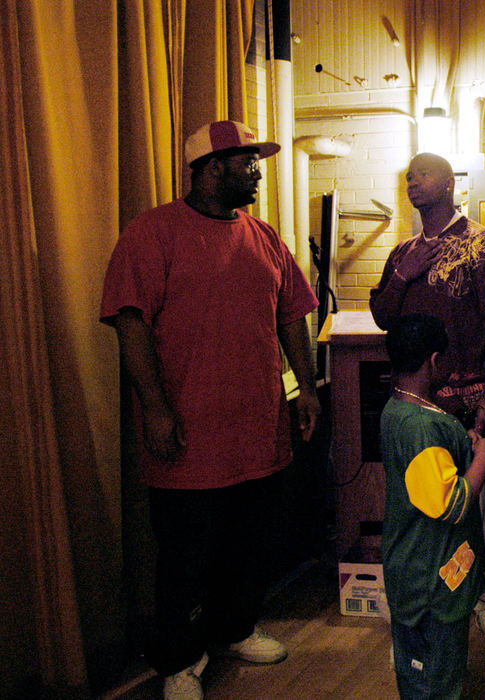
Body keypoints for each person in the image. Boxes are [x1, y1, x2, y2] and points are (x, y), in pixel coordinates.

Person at [100, 120, 320, 700]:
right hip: (189, 434)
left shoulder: (265, 235)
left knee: (249, 542)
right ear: (211, 167)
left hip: (257, 427)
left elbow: (291, 314)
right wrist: (156, 409)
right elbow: (129, 321)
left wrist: (308, 389)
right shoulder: (152, 233)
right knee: (184, 554)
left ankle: (235, 629)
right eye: (247, 160)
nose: (257, 169)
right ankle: (179, 659)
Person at [370, 152, 485, 638]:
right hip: (416, 407)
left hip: (467, 399)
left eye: (424, 173)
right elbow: (382, 316)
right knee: (425, 507)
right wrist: (403, 273)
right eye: (408, 175)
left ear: (451, 182)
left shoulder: (484, 245)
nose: (414, 181)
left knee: (473, 506)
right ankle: (439, 591)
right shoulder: (403, 251)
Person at [380, 313, 485, 699]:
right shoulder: (422, 427)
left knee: (420, 667)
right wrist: (484, 457)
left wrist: (461, 441)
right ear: (433, 361)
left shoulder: (399, 409)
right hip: (431, 577)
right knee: (436, 676)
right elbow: (452, 503)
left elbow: (426, 471)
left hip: (412, 568)